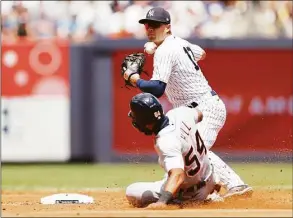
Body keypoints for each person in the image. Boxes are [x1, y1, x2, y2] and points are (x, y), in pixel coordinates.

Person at [123, 7, 252, 198]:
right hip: (200, 106)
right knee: (189, 154)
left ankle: (236, 185)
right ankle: (208, 190)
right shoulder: (178, 43)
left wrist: (133, 78)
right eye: (147, 25)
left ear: (167, 27)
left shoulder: (165, 50)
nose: (150, 29)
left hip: (204, 108)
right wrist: (161, 47)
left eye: (156, 25)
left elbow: (157, 89)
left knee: (196, 151)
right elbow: (202, 53)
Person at [126, 92, 222, 209]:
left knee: (131, 191)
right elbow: (200, 115)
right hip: (210, 178)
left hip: (192, 193)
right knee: (172, 172)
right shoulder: (180, 112)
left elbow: (178, 174)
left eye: (135, 117)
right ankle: (210, 190)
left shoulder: (165, 141)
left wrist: (162, 202)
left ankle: (185, 201)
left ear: (144, 121)